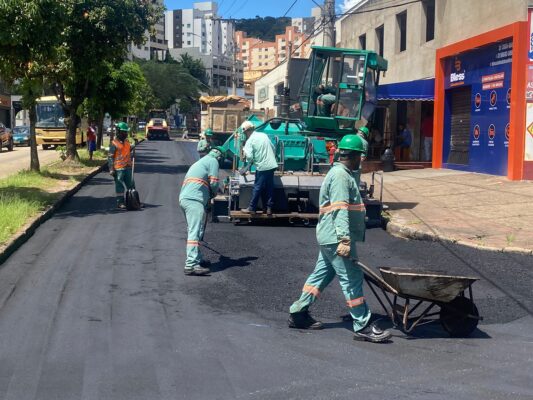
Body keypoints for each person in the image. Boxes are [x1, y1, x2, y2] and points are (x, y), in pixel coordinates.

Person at [288, 134, 391, 343]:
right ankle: (362, 324)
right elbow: (339, 209)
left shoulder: (342, 173)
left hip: (329, 235)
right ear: (352, 155)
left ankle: (298, 312)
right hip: (336, 236)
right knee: (352, 278)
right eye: (360, 156)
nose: (362, 160)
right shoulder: (341, 176)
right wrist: (344, 239)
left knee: (321, 275)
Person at [179, 147, 225, 276]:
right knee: (194, 232)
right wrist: (214, 194)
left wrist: (206, 200)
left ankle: (197, 258)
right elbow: (214, 183)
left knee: (195, 230)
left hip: (185, 199)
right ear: (219, 156)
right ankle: (191, 265)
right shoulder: (213, 161)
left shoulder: (200, 162)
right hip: (194, 200)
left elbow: (200, 184)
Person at [240, 121, 278, 215]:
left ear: (246, 131)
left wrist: (248, 159)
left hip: (262, 167)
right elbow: (273, 148)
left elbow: (248, 156)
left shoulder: (249, 141)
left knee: (257, 187)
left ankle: (252, 208)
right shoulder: (263, 135)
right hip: (272, 165)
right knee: (269, 187)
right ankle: (269, 208)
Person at [108, 122, 135, 210]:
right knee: (119, 186)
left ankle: (134, 201)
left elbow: (127, 150)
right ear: (119, 131)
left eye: (126, 132)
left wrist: (133, 146)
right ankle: (120, 202)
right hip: (118, 168)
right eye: (124, 132)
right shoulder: (114, 143)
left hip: (127, 166)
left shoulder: (127, 142)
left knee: (131, 184)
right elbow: (110, 157)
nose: (125, 134)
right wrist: (111, 169)